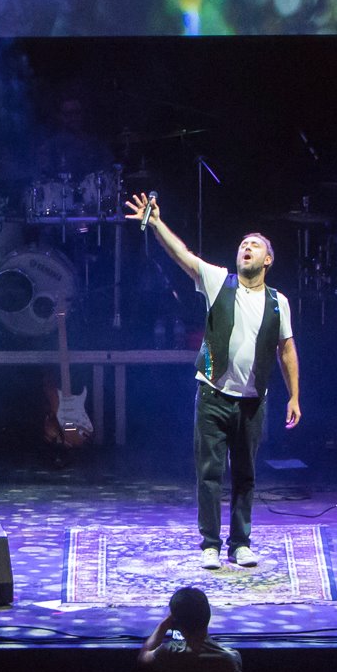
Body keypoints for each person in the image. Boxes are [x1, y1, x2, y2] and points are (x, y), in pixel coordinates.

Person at [126, 194, 301, 568]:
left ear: (267, 259)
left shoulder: (277, 301)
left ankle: (240, 542)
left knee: (245, 474)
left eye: (254, 245)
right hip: (213, 395)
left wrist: (294, 396)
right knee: (209, 473)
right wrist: (156, 223)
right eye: (243, 245)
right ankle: (210, 543)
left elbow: (286, 350)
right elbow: (183, 256)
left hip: (253, 400)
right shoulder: (219, 281)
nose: (246, 248)